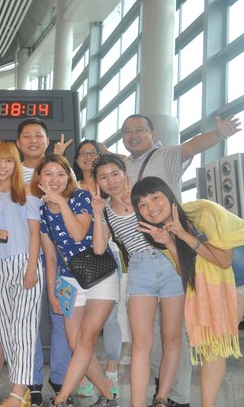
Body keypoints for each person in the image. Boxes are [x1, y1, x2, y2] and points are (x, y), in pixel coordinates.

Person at [121, 112, 241, 407]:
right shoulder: (124, 166)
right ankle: (163, 389)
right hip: (162, 249)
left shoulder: (166, 156)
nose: (133, 135)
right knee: (154, 335)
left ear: (153, 134)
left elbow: (192, 146)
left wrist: (219, 135)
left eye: (140, 129)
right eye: (127, 131)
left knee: (194, 334)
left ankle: (177, 397)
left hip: (210, 257)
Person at [133, 176, 244, 407]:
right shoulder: (163, 235)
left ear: (169, 195)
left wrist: (184, 235)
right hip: (233, 284)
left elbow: (223, 260)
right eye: (142, 204)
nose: (151, 207)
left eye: (155, 198)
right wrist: (170, 243)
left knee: (214, 343)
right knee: (213, 344)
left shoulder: (204, 212)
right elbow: (186, 273)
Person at [92, 157, 184, 407]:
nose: (111, 181)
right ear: (97, 182)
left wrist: (135, 202)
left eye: (115, 174)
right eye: (103, 177)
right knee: (141, 342)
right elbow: (99, 249)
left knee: (171, 337)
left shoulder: (143, 198)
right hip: (139, 270)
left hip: (169, 263)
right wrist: (97, 213)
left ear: (126, 174)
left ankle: (161, 398)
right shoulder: (105, 211)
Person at [31, 154, 118, 407]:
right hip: (68, 280)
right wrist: (51, 293)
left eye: (61, 174)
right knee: (74, 343)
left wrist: (61, 202)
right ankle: (109, 396)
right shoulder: (42, 211)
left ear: (68, 177)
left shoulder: (81, 198)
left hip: (100, 275)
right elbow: (50, 257)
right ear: (39, 178)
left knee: (85, 340)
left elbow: (78, 234)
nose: (55, 179)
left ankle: (60, 398)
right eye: (48, 174)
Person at [0, 141, 43, 407]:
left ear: (16, 164)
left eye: (8, 160)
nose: (2, 166)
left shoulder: (27, 193)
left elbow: (35, 233)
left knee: (24, 330)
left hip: (26, 263)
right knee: (6, 332)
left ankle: (17, 392)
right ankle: (21, 390)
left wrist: (31, 269)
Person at [16, 118, 72, 404]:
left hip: (65, 260)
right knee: (29, 321)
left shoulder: (62, 171)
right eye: (27, 136)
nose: (33, 140)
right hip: (28, 257)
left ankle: (61, 378)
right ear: (18, 142)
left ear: (47, 141)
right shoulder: (12, 173)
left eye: (38, 135)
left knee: (63, 318)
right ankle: (33, 379)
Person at [73, 141, 123, 398]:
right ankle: (85, 373)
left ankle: (111, 373)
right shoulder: (71, 186)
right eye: (83, 153)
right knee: (81, 322)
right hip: (78, 259)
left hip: (107, 256)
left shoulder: (109, 184)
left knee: (111, 320)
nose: (89, 157)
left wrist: (106, 152)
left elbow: (125, 164)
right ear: (76, 160)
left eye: (94, 153)